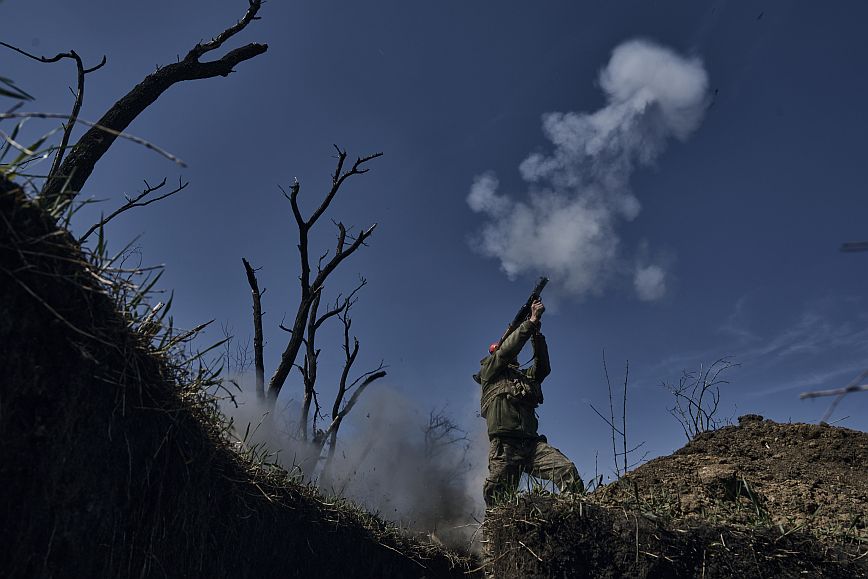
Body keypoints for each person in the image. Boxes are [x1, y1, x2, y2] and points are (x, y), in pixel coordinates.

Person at [476, 298, 583, 507]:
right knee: (498, 498)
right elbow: (506, 351)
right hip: (505, 446)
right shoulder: (489, 371)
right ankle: (494, 537)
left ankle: (576, 518)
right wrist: (531, 321)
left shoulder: (525, 378)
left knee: (566, 470)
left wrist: (536, 336)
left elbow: (543, 368)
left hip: (531, 444)